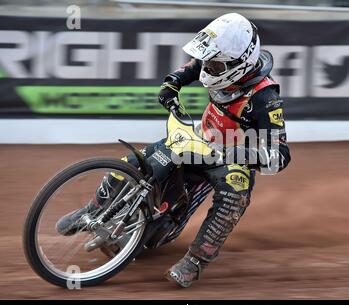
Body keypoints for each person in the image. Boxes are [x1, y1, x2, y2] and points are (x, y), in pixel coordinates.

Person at [56, 13, 291, 288]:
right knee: (136, 162)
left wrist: (233, 154)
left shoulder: (266, 98)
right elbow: (194, 66)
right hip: (199, 140)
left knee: (234, 194)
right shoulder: (220, 60)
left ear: (240, 64)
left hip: (231, 159)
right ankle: (93, 208)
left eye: (215, 66)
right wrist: (171, 84)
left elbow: (281, 156)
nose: (207, 72)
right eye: (210, 63)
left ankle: (195, 261)